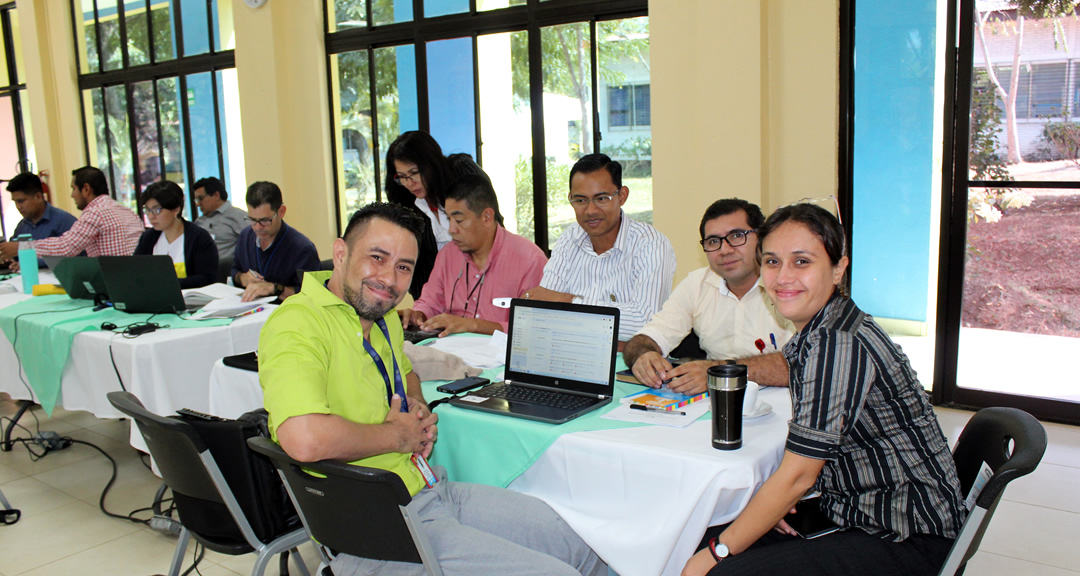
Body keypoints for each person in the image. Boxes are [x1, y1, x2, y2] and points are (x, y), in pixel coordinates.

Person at [259, 202, 606, 576]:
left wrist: (416, 406)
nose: (390, 279)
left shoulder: (381, 316)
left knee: (582, 546)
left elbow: (405, 371)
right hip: (375, 529)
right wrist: (396, 436)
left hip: (427, 490)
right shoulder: (296, 323)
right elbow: (304, 439)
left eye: (403, 267)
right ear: (340, 253)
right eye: (377, 257)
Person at [681, 203, 965, 576]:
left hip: (905, 533)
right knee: (717, 529)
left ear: (837, 269)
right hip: (862, 505)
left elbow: (799, 475)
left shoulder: (835, 343)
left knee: (713, 564)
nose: (783, 277)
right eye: (771, 262)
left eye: (802, 262)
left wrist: (716, 554)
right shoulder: (823, 327)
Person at [624, 199, 795, 394]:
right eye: (713, 241)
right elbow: (645, 339)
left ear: (761, 238)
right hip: (714, 405)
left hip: (782, 406)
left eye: (737, 236)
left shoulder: (787, 283)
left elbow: (799, 364)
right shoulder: (697, 284)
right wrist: (643, 356)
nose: (725, 250)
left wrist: (719, 372)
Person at [524, 153, 676, 345]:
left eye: (601, 198)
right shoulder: (570, 238)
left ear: (622, 196)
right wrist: (614, 337)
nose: (590, 210)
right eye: (580, 200)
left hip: (629, 368)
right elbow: (544, 309)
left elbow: (644, 322)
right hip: (571, 357)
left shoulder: (651, 245)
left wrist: (569, 302)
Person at [399, 173, 547, 336]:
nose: (451, 230)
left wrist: (473, 325)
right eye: (449, 220)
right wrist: (418, 314)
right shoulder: (448, 255)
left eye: (459, 221)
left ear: (487, 217)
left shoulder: (529, 261)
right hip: (450, 352)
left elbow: (534, 327)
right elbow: (431, 302)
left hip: (501, 356)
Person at [0, 166, 142, 261]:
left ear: (86, 189)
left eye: (74, 189)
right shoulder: (127, 211)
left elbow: (67, 247)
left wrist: (23, 247)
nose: (72, 195)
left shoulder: (95, 212)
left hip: (115, 285)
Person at [384, 131, 455, 299]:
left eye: (414, 173)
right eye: (402, 177)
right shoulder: (409, 206)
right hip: (439, 300)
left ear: (431, 165)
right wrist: (425, 306)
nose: (409, 183)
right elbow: (417, 265)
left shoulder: (459, 178)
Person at [230, 181, 320, 302]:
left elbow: (312, 295)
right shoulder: (245, 236)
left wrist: (275, 289)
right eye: (252, 220)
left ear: (281, 212)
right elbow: (235, 270)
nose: (257, 227)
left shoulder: (302, 249)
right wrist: (242, 278)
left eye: (265, 220)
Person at [133, 180, 218, 289]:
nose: (150, 216)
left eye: (156, 210)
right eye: (147, 210)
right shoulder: (148, 238)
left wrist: (166, 284)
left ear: (176, 209)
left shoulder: (199, 237)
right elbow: (136, 272)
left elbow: (206, 278)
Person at [4, 172, 78, 269]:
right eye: (15, 202)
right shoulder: (22, 226)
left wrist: (32, 263)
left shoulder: (65, 221)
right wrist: (9, 259)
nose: (18, 207)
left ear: (38, 197)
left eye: (21, 201)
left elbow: (74, 257)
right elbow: (14, 252)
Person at [192, 176, 247, 261]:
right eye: (196, 200)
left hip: (224, 270)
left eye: (200, 198)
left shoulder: (238, 217)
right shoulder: (199, 221)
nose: (198, 204)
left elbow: (252, 245)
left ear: (216, 195)